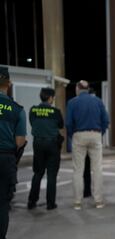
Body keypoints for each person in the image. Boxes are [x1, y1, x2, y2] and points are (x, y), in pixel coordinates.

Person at [65, 80, 109, 210]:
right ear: (88, 88)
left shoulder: (72, 102)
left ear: (78, 88)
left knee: (78, 170)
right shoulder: (98, 101)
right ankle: (98, 201)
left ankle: (77, 202)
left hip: (79, 135)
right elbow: (106, 120)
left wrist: (73, 135)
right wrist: (100, 132)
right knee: (97, 169)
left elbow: (68, 123)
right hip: (95, 134)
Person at [0, 66, 26, 239]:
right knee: (1, 204)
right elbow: (19, 141)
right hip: (4, 158)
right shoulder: (16, 109)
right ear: (8, 84)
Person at [27, 88, 64, 210]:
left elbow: (32, 123)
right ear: (50, 98)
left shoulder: (33, 110)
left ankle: (32, 201)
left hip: (38, 143)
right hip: (52, 144)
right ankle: (50, 203)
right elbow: (61, 125)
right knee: (52, 174)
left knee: (38, 173)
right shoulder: (55, 111)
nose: (53, 100)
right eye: (53, 97)